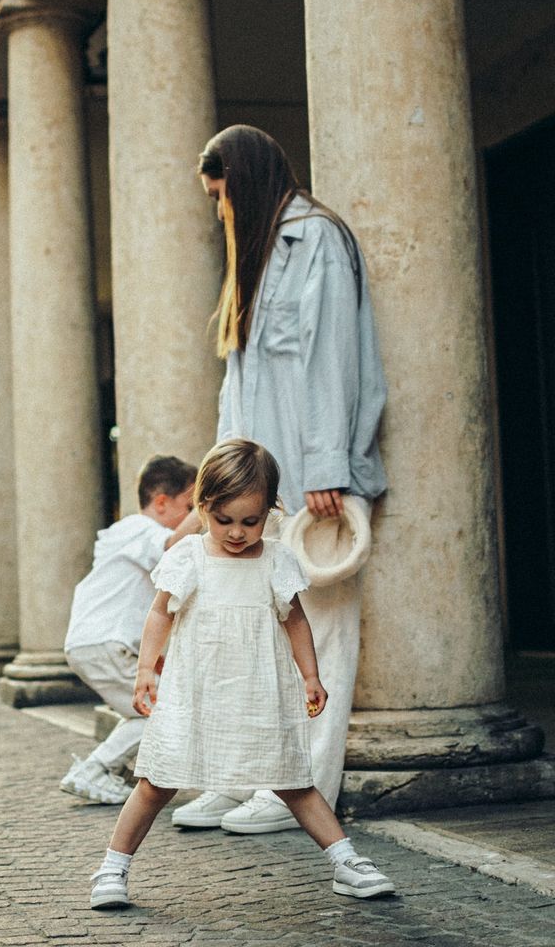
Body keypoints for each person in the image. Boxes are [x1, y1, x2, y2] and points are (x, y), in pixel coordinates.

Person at [173, 124, 387, 834]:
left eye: (221, 194)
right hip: (258, 487)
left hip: (313, 483)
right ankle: (242, 778)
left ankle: (300, 790)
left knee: (318, 634)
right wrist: (220, 483)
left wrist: (327, 464)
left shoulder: (316, 239)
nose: (218, 210)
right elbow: (239, 388)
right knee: (249, 637)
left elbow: (334, 358)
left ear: (248, 180)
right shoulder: (258, 258)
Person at [89, 440, 395, 910]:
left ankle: (347, 863)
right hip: (195, 694)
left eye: (250, 521)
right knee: (156, 782)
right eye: (224, 520)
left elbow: (294, 618)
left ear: (270, 510)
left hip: (260, 695)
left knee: (294, 781)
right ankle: (113, 868)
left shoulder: (276, 559)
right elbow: (159, 614)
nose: (236, 533)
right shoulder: (189, 556)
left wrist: (311, 675)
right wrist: (146, 670)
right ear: (203, 507)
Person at [60, 454, 198, 804]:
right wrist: (209, 506)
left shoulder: (132, 536)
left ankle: (106, 772)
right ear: (161, 502)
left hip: (99, 643)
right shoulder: (138, 529)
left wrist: (152, 659)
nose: (195, 514)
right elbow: (171, 548)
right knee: (163, 711)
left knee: (146, 711)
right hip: (104, 642)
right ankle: (94, 770)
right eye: (190, 505)